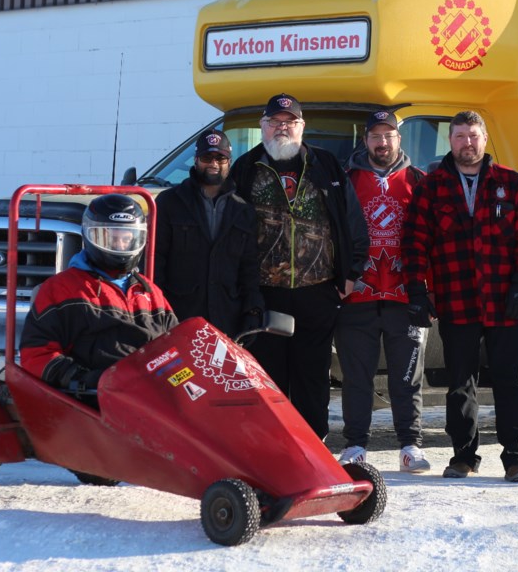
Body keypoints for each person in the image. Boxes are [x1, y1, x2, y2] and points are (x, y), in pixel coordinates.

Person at [402, 110, 518, 483]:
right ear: (450, 141)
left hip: (504, 302)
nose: (468, 143)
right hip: (455, 301)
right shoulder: (431, 188)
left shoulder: (511, 184)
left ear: (485, 139)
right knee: (459, 384)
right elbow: (415, 242)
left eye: (474, 135)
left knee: (508, 381)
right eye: (460, 136)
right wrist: (417, 290)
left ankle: (517, 458)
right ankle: (463, 456)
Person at [229, 93, 368, 440]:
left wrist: (350, 275)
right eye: (275, 122)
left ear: (301, 127)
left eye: (289, 123)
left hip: (318, 292)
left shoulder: (326, 166)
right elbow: (231, 231)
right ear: (262, 127)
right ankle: (273, 445)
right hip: (265, 294)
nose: (282, 129)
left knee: (312, 375)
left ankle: (312, 444)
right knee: (267, 375)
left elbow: (353, 223)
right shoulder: (246, 169)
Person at [335, 109, 431, 473]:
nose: (382, 141)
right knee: (356, 376)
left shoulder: (419, 180)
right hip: (357, 295)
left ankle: (410, 445)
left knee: (407, 377)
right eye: (375, 135)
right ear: (365, 141)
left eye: (388, 134)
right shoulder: (346, 180)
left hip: (404, 297)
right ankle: (356, 444)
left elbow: (430, 239)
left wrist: (427, 292)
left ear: (398, 139)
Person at [20, 194, 178, 392]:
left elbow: (177, 344)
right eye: (111, 238)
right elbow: (35, 353)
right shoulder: (62, 290)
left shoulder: (149, 292)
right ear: (91, 237)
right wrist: (84, 379)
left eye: (127, 239)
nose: (120, 246)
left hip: (150, 391)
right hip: (95, 397)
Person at [154, 129, 263, 338]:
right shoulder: (169, 203)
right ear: (195, 160)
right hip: (177, 320)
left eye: (220, 158)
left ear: (229, 162)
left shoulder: (243, 211)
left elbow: (249, 269)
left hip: (227, 321)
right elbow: (155, 263)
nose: (214, 163)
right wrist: (158, 312)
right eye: (207, 157)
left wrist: (252, 311)